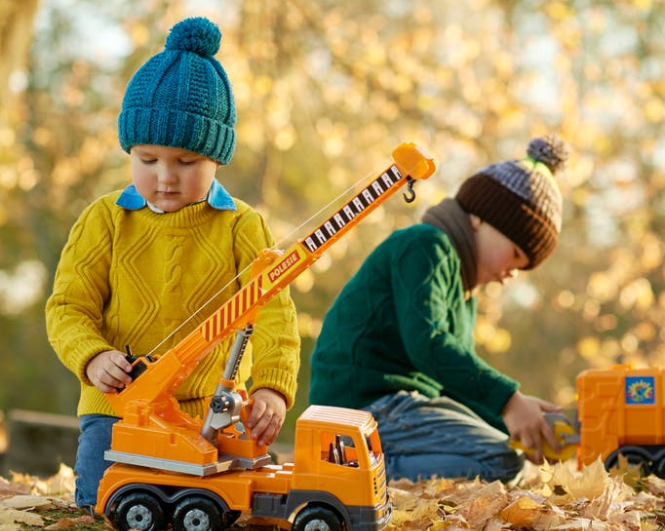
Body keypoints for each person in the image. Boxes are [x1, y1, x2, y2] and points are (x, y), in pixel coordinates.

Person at [45, 17, 300, 509]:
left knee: (223, 504)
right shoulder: (104, 221)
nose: (165, 177)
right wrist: (93, 356)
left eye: (186, 163)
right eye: (147, 159)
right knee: (103, 500)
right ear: (130, 152)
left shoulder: (242, 227)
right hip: (118, 409)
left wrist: (272, 389)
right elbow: (68, 307)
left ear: (217, 159)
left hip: (213, 411)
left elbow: (275, 315)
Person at [309, 135, 569, 483]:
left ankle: (372, 469)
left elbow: (453, 386)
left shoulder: (465, 292)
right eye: (516, 255)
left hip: (402, 409)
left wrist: (517, 423)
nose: (511, 275)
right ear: (481, 218)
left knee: (510, 457)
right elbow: (427, 343)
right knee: (503, 462)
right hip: (364, 404)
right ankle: (359, 477)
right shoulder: (425, 247)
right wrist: (508, 400)